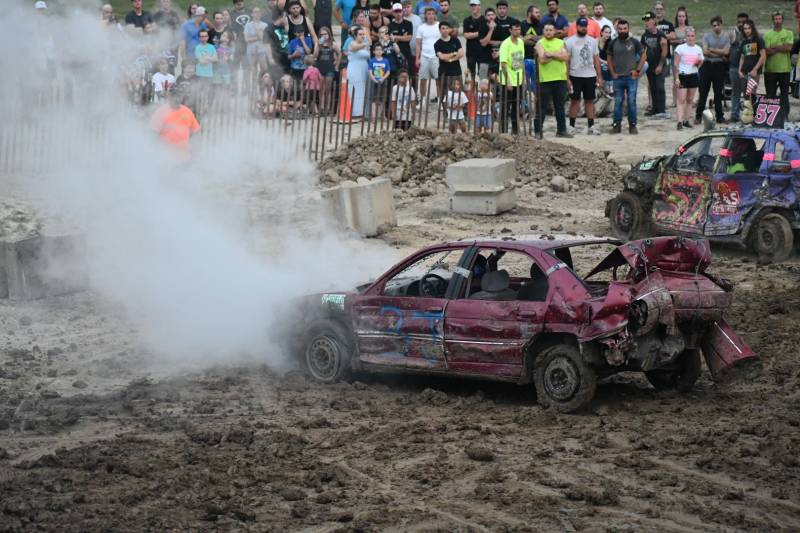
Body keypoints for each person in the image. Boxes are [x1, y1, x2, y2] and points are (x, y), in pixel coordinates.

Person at [607, 19, 646, 134]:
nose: (622, 31)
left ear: (628, 29)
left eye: (625, 29)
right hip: (618, 77)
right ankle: (616, 125)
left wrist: (637, 70)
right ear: (617, 29)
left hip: (631, 77)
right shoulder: (613, 42)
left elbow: (643, 56)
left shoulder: (634, 42)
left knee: (631, 101)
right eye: (620, 29)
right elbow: (609, 58)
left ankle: (632, 125)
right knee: (618, 101)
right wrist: (612, 73)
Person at [566, 17, 603, 134]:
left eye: (585, 26)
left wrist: (599, 76)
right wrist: (567, 78)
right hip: (575, 75)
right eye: (581, 26)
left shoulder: (592, 41)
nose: (583, 28)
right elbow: (566, 61)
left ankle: (591, 126)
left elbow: (596, 59)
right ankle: (571, 126)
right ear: (576, 26)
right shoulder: (569, 41)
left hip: (590, 75)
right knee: (575, 101)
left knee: (589, 100)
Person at [534, 23, 571, 138]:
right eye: (546, 30)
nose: (549, 32)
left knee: (559, 106)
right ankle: (538, 131)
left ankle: (561, 130)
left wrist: (550, 54)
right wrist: (557, 54)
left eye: (551, 30)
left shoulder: (561, 42)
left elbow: (565, 57)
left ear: (555, 31)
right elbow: (542, 59)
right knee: (542, 106)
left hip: (560, 78)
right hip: (545, 79)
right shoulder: (540, 43)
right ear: (543, 31)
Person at [695, 16, 729, 124]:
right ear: (711, 26)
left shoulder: (726, 37)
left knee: (718, 93)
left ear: (721, 25)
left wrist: (712, 50)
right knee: (703, 92)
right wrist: (720, 52)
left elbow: (727, 52)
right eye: (714, 25)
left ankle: (720, 116)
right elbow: (705, 52)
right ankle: (698, 116)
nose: (716, 27)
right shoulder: (707, 36)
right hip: (707, 65)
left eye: (718, 25)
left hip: (719, 66)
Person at [150, 89, 201, 154]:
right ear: (170, 97)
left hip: (184, 157)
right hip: (165, 156)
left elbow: (196, 132)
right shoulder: (161, 112)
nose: (176, 98)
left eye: (179, 96)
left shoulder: (187, 112)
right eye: (174, 96)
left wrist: (195, 149)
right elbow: (153, 134)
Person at [764, 12, 794, 113]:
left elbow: (789, 48)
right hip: (770, 70)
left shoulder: (788, 33)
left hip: (785, 69)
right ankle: (771, 116)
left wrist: (774, 47)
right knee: (770, 94)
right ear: (773, 20)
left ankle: (785, 114)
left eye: (779, 19)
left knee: (784, 94)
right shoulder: (767, 34)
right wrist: (782, 47)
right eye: (776, 19)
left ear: (782, 20)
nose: (777, 21)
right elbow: (767, 51)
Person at [674, 27, 703, 129]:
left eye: (692, 36)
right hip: (682, 75)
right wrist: (677, 78)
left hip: (693, 75)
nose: (690, 38)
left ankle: (686, 120)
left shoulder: (698, 49)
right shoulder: (680, 48)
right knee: (681, 99)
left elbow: (700, 63)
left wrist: (698, 63)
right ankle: (679, 121)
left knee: (690, 99)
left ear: (695, 36)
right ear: (685, 37)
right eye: (688, 36)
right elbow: (676, 64)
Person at [641, 11, 668, 118]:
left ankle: (661, 110)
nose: (646, 23)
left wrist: (660, 65)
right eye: (645, 21)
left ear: (654, 21)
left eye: (648, 20)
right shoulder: (644, 35)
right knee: (652, 87)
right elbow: (642, 50)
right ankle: (655, 108)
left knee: (660, 86)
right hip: (649, 65)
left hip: (659, 64)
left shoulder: (660, 35)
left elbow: (664, 51)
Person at [499, 21, 525, 134]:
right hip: (507, 80)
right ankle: (503, 130)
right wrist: (508, 81)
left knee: (516, 106)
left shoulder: (520, 42)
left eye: (519, 29)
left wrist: (523, 77)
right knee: (506, 106)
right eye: (515, 29)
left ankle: (515, 130)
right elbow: (503, 64)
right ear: (510, 30)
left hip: (518, 79)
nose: (517, 31)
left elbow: (521, 60)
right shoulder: (505, 44)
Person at [415, 7, 440, 101]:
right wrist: (417, 58)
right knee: (423, 80)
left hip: (436, 57)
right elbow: (418, 44)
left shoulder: (439, 25)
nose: (431, 16)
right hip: (424, 56)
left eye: (432, 13)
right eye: (428, 14)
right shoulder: (421, 28)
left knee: (438, 80)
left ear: (435, 15)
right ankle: (423, 100)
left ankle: (439, 100)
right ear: (425, 15)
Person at [728, 13, 748, 122]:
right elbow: (728, 47)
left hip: (747, 68)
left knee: (747, 93)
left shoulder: (751, 35)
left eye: (743, 22)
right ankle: (734, 115)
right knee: (735, 92)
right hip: (734, 66)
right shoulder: (732, 33)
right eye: (739, 22)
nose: (741, 24)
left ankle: (747, 116)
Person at [347, 27, 371, 118]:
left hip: (364, 68)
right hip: (354, 68)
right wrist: (366, 43)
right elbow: (354, 48)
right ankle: (354, 113)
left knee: (363, 89)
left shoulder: (364, 45)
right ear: (355, 36)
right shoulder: (352, 43)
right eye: (360, 34)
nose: (362, 36)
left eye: (363, 34)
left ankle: (363, 112)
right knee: (355, 89)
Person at [738, 20, 766, 99]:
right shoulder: (744, 41)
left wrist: (755, 69)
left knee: (751, 94)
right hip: (744, 72)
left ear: (752, 28)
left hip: (754, 72)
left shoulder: (759, 40)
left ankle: (752, 111)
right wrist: (739, 70)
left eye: (748, 28)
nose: (747, 30)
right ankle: (747, 111)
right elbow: (742, 57)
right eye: (745, 29)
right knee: (745, 95)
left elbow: (763, 56)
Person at [434, 20, 464, 90]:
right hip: (444, 73)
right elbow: (442, 57)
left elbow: (461, 53)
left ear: (449, 29)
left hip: (456, 71)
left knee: (458, 94)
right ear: (440, 30)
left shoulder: (455, 40)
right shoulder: (437, 44)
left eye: (447, 28)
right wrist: (454, 53)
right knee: (445, 96)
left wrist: (450, 60)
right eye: (443, 28)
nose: (445, 30)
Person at [316, 27, 341, 110]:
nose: (324, 36)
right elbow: (315, 55)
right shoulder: (318, 43)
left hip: (330, 68)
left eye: (325, 34)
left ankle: (327, 107)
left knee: (328, 88)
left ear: (329, 34)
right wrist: (318, 45)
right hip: (320, 67)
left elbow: (339, 54)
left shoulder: (332, 44)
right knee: (321, 89)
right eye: (322, 34)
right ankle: (321, 107)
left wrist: (337, 64)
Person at [464, 0, 489, 79]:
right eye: (471, 6)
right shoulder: (467, 20)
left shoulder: (485, 20)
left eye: (475, 5)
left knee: (483, 76)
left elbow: (487, 35)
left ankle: (481, 91)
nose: (473, 7)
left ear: (479, 6)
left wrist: (472, 34)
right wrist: (480, 33)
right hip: (471, 53)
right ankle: (472, 91)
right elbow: (466, 35)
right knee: (471, 76)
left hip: (483, 52)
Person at [521, 6, 542, 96]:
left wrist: (531, 37)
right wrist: (535, 41)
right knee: (524, 85)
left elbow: (543, 38)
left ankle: (535, 106)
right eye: (536, 12)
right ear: (530, 14)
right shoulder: (521, 24)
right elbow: (520, 40)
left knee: (536, 85)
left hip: (537, 60)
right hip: (523, 59)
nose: (539, 15)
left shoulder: (540, 25)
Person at [388, 3, 415, 76]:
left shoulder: (408, 23)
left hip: (406, 52)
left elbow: (408, 38)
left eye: (399, 11)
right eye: (396, 11)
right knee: (395, 74)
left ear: (402, 12)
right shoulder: (390, 25)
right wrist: (403, 36)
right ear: (393, 13)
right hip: (395, 53)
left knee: (408, 73)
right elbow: (391, 40)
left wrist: (396, 37)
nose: (398, 13)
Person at [369, 42, 391, 116]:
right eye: (377, 50)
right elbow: (370, 72)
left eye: (380, 50)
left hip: (383, 82)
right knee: (374, 100)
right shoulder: (372, 60)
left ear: (382, 51)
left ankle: (380, 115)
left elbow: (388, 71)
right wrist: (374, 79)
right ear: (374, 51)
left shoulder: (386, 60)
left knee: (382, 99)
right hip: (374, 82)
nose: (378, 51)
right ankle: (373, 116)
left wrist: (383, 78)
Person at [244, 8, 269, 72]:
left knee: (264, 69)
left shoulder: (265, 25)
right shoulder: (248, 25)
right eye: (255, 12)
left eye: (259, 12)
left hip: (262, 50)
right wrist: (258, 36)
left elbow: (264, 38)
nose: (257, 13)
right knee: (253, 70)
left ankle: (262, 82)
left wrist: (254, 35)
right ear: (252, 14)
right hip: (251, 50)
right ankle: (254, 82)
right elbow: (246, 39)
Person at [598, 24, 613, 93]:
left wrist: (608, 63)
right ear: (601, 33)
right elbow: (595, 56)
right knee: (604, 66)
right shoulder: (596, 41)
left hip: (608, 62)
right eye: (606, 32)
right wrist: (605, 62)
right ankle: (608, 86)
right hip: (598, 62)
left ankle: (610, 86)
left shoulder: (611, 42)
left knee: (608, 67)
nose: (608, 34)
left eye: (609, 33)